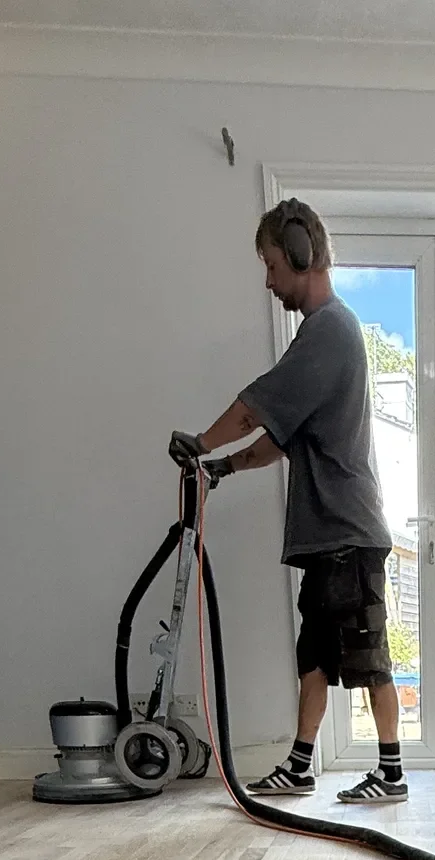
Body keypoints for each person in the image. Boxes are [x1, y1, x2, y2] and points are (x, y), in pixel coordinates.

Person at [169, 198, 407, 803]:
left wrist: (201, 442)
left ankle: (392, 773)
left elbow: (257, 405)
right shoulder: (320, 334)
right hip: (328, 539)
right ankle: (301, 766)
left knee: (368, 656)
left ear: (301, 254)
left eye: (273, 265)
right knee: (316, 658)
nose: (270, 281)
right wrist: (223, 465)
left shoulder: (330, 329)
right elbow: (278, 438)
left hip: (348, 534)